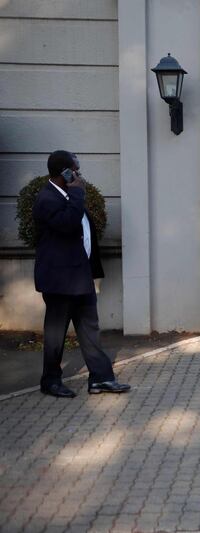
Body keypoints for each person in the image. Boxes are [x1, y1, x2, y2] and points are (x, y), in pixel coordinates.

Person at [33, 150, 131, 397]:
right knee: (56, 335)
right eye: (76, 169)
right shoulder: (46, 199)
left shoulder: (69, 197)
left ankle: (100, 378)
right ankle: (51, 381)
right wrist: (77, 193)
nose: (79, 174)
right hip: (59, 281)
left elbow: (83, 234)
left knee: (90, 330)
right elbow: (67, 225)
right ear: (64, 172)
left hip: (80, 278)